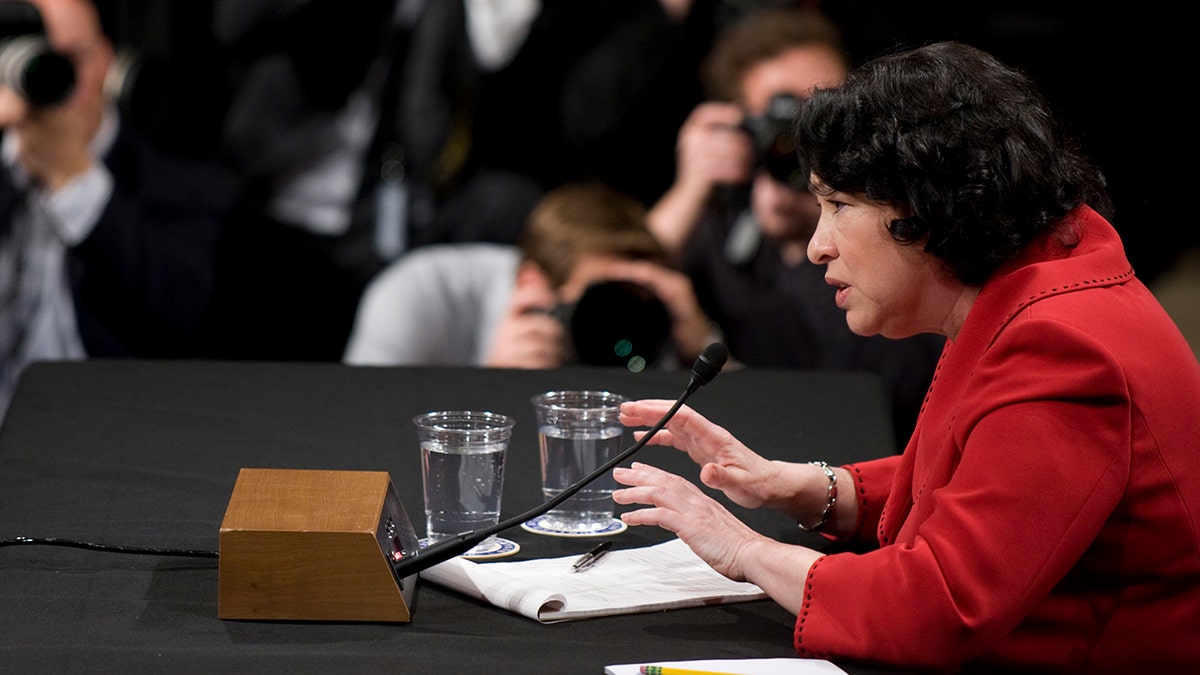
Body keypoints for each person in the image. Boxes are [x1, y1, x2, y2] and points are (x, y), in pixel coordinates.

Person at [611, 41, 1200, 672]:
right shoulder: (1047, 278)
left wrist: (741, 549)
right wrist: (807, 488)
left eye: (838, 206)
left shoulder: (1063, 350)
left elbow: (935, 611)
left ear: (925, 207)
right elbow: (992, 474)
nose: (817, 247)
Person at [647, 6, 943, 449]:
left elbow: (886, 394)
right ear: (741, 124)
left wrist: (815, 223)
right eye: (784, 114)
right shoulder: (722, 215)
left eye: (827, 105)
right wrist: (689, 189)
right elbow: (618, 282)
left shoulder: (895, 213)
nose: (809, 131)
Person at [0, 0, 234, 424]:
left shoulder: (179, 180)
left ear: (106, 60)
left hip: (101, 433)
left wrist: (73, 177)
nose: (50, 79)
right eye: (32, 57)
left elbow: (183, 309)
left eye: (68, 60)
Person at [343, 181, 718, 370]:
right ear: (531, 286)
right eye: (600, 301)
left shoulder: (651, 331)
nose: (615, 320)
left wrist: (703, 350)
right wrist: (495, 388)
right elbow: (361, 429)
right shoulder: (420, 293)